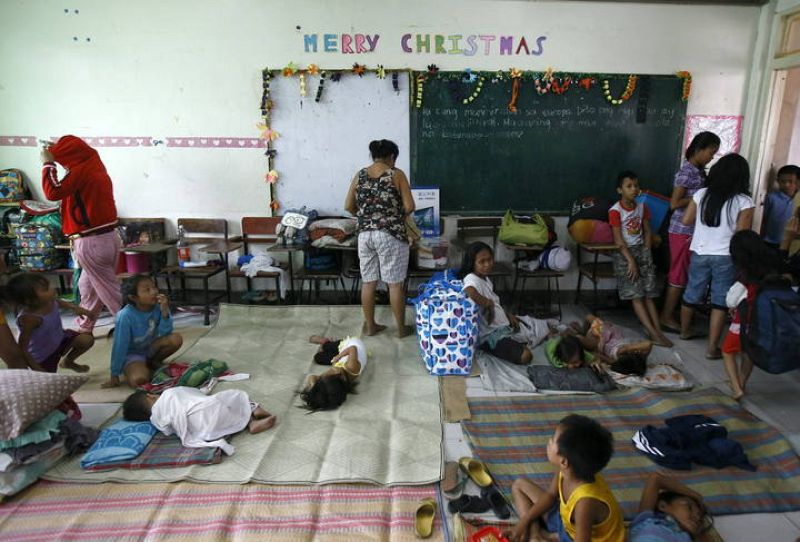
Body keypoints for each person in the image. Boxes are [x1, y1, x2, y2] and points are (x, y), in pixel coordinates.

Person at [41, 135, 121, 332]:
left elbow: (53, 192)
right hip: (108, 238)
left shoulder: (80, 172)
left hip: (92, 242)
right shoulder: (94, 166)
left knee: (111, 294)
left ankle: (137, 329)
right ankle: (85, 326)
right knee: (88, 287)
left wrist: (48, 164)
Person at [504, 414, 625, 542]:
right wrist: (523, 522)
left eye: (553, 440)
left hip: (584, 536)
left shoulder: (585, 502)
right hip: (565, 521)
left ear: (563, 461)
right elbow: (550, 495)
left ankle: (550, 536)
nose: (549, 442)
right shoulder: (570, 470)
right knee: (519, 485)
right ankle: (537, 536)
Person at [680, 154, 754, 360]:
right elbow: (741, 235)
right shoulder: (744, 201)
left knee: (692, 293)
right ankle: (712, 349)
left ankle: (684, 332)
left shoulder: (702, 194)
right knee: (720, 301)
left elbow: (686, 220)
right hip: (725, 256)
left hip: (700, 252)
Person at [344, 139, 415, 338]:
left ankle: (371, 326)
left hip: (365, 235)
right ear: (392, 157)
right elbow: (409, 206)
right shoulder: (396, 174)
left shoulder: (361, 175)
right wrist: (394, 215)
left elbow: (348, 205)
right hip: (390, 234)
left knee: (368, 282)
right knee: (394, 284)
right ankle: (401, 329)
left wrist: (367, 215)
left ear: (373, 156)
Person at [660, 132, 720, 331]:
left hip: (693, 231)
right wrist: (700, 196)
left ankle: (675, 312)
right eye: (711, 152)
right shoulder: (687, 171)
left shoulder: (699, 171)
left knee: (684, 274)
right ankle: (666, 317)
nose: (712, 156)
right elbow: (674, 203)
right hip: (682, 230)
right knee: (678, 274)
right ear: (699, 149)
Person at [459, 241, 550, 365]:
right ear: (472, 263)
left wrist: (506, 314)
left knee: (539, 326)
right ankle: (496, 345)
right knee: (526, 356)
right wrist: (487, 303)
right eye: (482, 262)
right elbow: (469, 291)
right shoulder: (471, 278)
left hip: (501, 326)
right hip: (489, 336)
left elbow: (494, 302)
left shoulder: (484, 278)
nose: (487, 264)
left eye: (489, 259)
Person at [608, 171, 672, 347]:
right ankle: (652, 332)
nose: (634, 189)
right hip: (625, 255)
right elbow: (618, 240)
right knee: (636, 296)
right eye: (629, 186)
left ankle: (657, 330)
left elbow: (647, 231)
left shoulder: (643, 207)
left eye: (636, 185)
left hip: (642, 251)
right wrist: (631, 261)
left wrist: (647, 251)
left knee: (649, 294)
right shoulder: (615, 211)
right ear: (619, 190)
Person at [122, 387, 276, 456]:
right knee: (234, 396)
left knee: (225, 416)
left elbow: (168, 430)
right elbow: (193, 393)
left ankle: (250, 424)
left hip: (204, 429)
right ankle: (254, 409)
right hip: (209, 407)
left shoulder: (155, 418)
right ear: (150, 396)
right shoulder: (169, 393)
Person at [722, 231, 783, 400]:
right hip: (762, 321)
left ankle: (736, 388)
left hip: (743, 321)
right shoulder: (771, 268)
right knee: (749, 352)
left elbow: (732, 299)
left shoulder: (744, 274)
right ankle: (742, 382)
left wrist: (732, 305)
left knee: (727, 351)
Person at [102, 275, 183, 389]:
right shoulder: (125, 316)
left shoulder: (157, 307)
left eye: (154, 287)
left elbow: (166, 333)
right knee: (139, 380)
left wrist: (165, 311)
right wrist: (114, 374)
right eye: (147, 290)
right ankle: (138, 367)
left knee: (176, 338)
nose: (154, 292)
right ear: (133, 297)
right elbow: (120, 346)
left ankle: (152, 362)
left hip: (151, 348)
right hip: (132, 355)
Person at [5, 273, 96, 373]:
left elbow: (59, 302)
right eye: (45, 290)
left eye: (48, 286)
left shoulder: (49, 301)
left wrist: (75, 308)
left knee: (86, 340)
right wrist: (35, 367)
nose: (52, 289)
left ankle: (68, 362)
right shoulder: (29, 319)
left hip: (60, 340)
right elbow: (23, 348)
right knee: (50, 381)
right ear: (30, 300)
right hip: (43, 356)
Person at [629, 472, 714, 542]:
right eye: (689, 508)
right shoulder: (647, 520)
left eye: (700, 518)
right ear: (662, 506)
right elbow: (656, 478)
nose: (696, 517)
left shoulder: (688, 537)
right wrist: (695, 495)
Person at [300, 335, 367, 411]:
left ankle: (325, 343)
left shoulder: (331, 379)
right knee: (324, 351)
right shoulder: (352, 368)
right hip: (352, 345)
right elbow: (353, 348)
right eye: (333, 372)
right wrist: (338, 357)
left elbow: (312, 377)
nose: (332, 370)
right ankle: (326, 343)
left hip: (344, 351)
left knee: (318, 357)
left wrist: (313, 387)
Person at [762, 164, 800, 249]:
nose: (786, 185)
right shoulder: (771, 198)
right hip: (770, 243)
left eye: (790, 181)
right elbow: (763, 220)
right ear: (777, 181)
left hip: (792, 244)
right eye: (782, 181)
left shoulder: (798, 201)